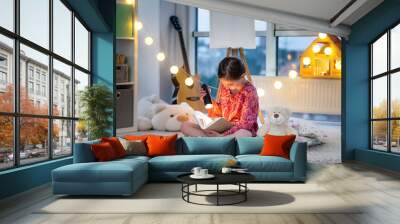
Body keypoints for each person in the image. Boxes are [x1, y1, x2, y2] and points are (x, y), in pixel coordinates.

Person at [181, 57, 259, 137]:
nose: (228, 87)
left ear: (242, 76)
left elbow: (246, 125)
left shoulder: (250, 92)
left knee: (244, 133)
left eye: (231, 84)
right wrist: (208, 100)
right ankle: (215, 140)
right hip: (222, 128)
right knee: (185, 126)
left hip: (237, 130)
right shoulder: (225, 87)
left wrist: (222, 135)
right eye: (224, 83)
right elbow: (219, 112)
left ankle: (217, 140)